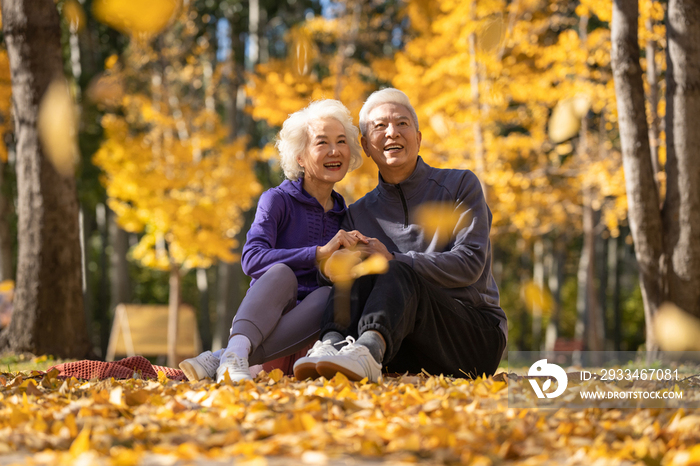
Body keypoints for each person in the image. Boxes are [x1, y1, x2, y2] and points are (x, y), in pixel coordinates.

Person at [293, 88, 507, 383]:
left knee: (393, 267)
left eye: (402, 123)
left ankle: (367, 352)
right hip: (400, 344)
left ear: (418, 138)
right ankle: (331, 344)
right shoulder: (358, 213)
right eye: (380, 126)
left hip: (471, 338)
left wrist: (395, 259)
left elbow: (470, 264)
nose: (392, 132)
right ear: (366, 146)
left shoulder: (460, 185)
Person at [179, 99, 368, 383]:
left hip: (305, 341)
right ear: (300, 157)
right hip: (262, 324)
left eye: (341, 142)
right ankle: (235, 352)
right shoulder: (277, 199)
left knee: (325, 295)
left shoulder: (347, 215)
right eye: (322, 143)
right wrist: (317, 253)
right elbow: (251, 259)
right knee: (282, 273)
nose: (334, 151)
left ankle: (224, 357)